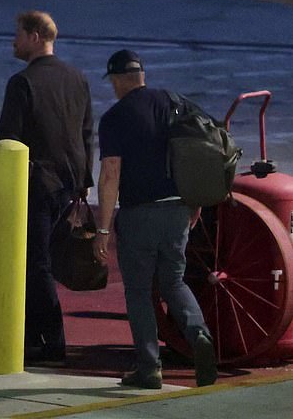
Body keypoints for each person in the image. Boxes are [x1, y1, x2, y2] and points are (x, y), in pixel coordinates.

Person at [93, 49, 218, 389]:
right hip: (179, 209)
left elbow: (110, 175)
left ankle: (149, 368)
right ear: (142, 76)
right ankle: (200, 336)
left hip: (139, 214)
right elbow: (200, 152)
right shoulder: (173, 102)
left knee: (138, 292)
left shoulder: (114, 118)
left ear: (118, 80)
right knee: (174, 282)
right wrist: (197, 202)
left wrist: (102, 228)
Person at [0, 10, 94, 364]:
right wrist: (83, 184)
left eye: (18, 34)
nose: (14, 40)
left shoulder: (21, 83)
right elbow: (86, 135)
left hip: (35, 184)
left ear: (35, 37)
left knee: (32, 263)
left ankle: (51, 340)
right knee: (42, 262)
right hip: (68, 186)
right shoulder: (78, 79)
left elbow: (8, 141)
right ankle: (31, 335)